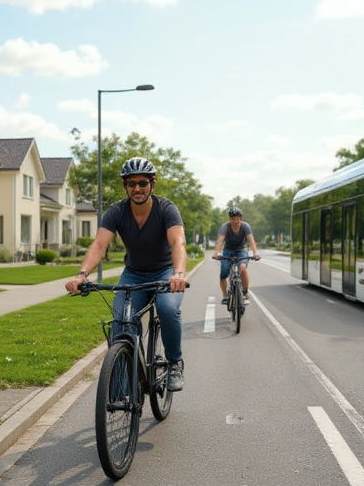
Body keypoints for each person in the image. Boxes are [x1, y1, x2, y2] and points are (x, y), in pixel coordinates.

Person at [65, 157, 188, 391]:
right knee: (122, 323)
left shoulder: (166, 208)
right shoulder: (117, 211)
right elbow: (99, 245)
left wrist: (178, 274)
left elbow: (178, 243)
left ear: (153, 183)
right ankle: (122, 387)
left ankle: (174, 363)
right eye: (131, 184)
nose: (137, 189)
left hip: (165, 273)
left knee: (168, 308)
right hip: (134, 273)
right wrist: (82, 275)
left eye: (143, 183)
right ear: (125, 186)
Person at [212, 206, 260, 305]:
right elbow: (220, 240)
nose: (235, 220)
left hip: (241, 250)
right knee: (224, 273)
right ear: (230, 219)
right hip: (228, 250)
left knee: (242, 267)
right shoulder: (225, 227)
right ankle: (225, 296)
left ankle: (245, 293)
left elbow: (251, 240)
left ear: (240, 218)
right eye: (233, 218)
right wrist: (216, 252)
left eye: (237, 218)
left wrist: (255, 253)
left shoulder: (245, 226)